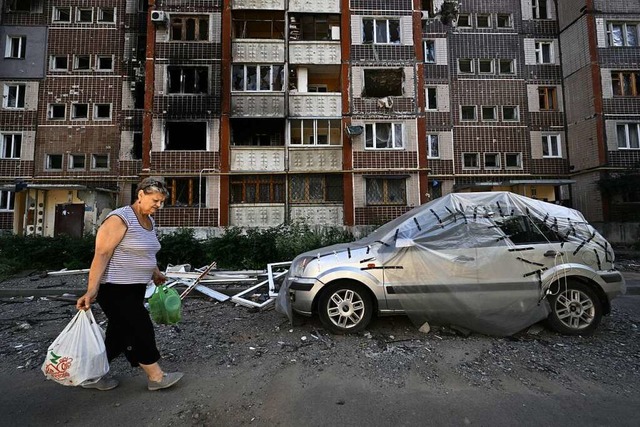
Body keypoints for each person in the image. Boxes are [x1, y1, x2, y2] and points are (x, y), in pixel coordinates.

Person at [76, 177, 183, 391]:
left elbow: (144, 252)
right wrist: (91, 289)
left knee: (118, 336)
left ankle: (90, 375)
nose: (158, 206)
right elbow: (102, 254)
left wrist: (155, 272)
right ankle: (156, 377)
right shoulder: (120, 219)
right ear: (141, 194)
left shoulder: (149, 221)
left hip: (135, 288)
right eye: (155, 200)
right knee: (140, 327)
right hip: (114, 288)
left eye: (161, 202)